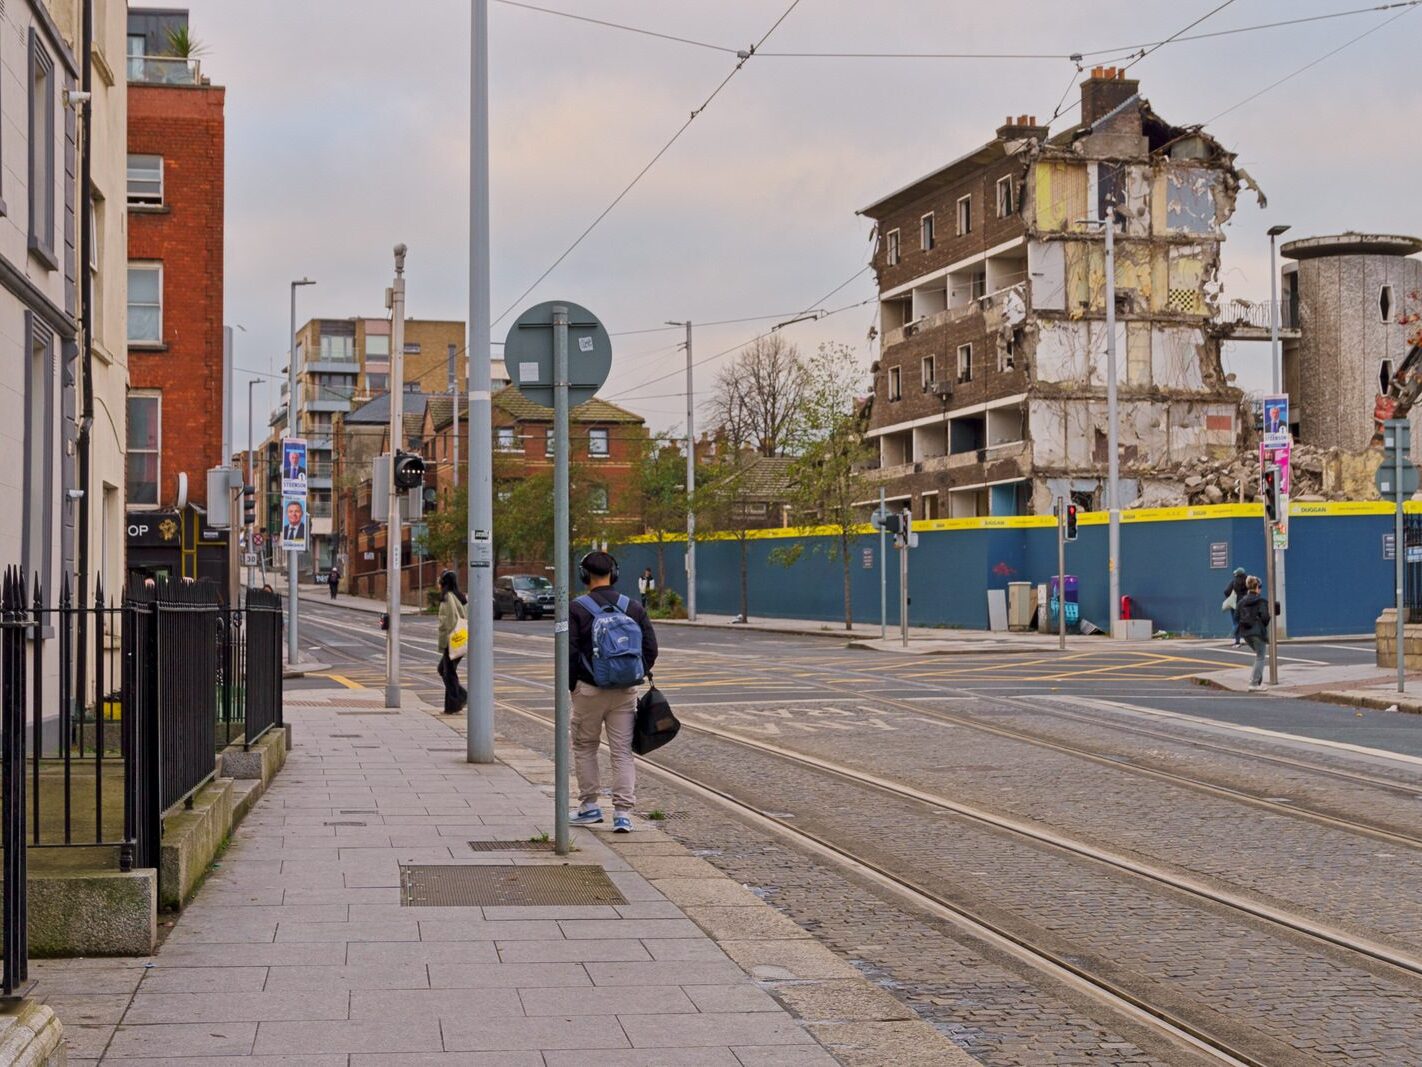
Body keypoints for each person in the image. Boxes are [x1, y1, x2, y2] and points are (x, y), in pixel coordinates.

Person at [569, 551, 658, 833]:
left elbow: (568, 652)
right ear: (615, 574)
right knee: (622, 751)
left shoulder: (576, 608)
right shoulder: (632, 607)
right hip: (625, 691)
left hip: (589, 690)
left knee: (585, 747)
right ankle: (622, 813)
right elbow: (651, 649)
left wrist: (575, 684)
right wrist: (634, 673)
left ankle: (590, 806)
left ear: (584, 576)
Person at [436, 570, 468, 714]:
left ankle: (455, 702)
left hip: (452, 640)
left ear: (444, 582)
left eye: (440, 580)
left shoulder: (448, 597)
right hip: (459, 638)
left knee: (448, 672)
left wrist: (447, 641)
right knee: (444, 670)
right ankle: (458, 697)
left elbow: (449, 621)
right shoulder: (459, 596)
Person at [1237, 575, 1272, 691]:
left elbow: (1237, 616)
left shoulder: (1241, 602)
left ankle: (1257, 679)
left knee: (1258, 655)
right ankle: (1254, 683)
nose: (1260, 589)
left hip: (1245, 634)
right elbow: (1266, 617)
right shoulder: (1261, 601)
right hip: (1257, 632)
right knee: (1261, 657)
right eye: (1260, 587)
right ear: (1257, 587)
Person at [1222, 566, 1248, 646]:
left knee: (1236, 621)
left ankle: (1237, 639)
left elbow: (1226, 591)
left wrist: (1231, 596)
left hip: (1235, 604)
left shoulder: (1234, 582)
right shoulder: (1247, 582)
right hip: (1245, 604)